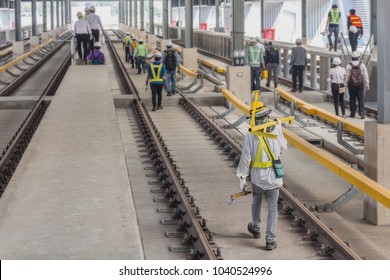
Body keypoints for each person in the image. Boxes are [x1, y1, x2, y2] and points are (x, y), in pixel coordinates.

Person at [236, 103, 287, 251]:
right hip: (274, 177)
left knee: (256, 201)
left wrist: (242, 178)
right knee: (272, 208)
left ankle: (256, 227)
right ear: (267, 116)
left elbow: (245, 159)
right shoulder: (277, 129)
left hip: (258, 177)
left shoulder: (250, 135)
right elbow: (283, 148)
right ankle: (270, 240)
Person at [345, 51, 369, 119]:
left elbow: (347, 77)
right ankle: (362, 114)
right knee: (361, 99)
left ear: (352, 57)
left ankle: (352, 113)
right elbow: (365, 75)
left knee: (352, 99)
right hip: (360, 84)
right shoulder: (362, 65)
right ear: (358, 57)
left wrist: (345, 85)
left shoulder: (348, 65)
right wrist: (367, 84)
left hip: (351, 84)